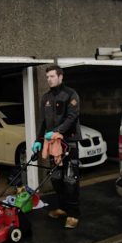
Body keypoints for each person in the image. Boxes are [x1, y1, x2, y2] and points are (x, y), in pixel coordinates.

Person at [32, 65, 82, 229]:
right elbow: (43, 122)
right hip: (53, 145)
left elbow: (72, 117)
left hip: (69, 142)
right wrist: (38, 139)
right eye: (47, 77)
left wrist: (57, 132)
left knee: (70, 179)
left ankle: (73, 214)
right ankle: (62, 208)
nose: (49, 79)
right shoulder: (46, 97)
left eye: (52, 76)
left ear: (61, 77)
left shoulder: (70, 94)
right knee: (56, 177)